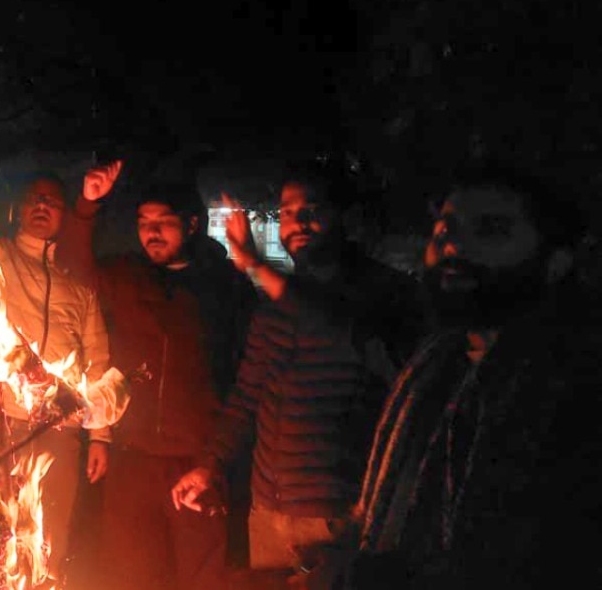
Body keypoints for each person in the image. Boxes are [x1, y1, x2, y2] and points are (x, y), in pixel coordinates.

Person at [331, 166, 600, 588]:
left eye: (491, 232)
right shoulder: (437, 361)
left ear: (555, 263)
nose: (454, 245)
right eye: (444, 231)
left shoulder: (573, 386)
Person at [170, 162, 425, 585]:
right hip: (269, 513)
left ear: (345, 217)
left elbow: (353, 340)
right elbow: (248, 396)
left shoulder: (385, 294)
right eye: (287, 212)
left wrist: (255, 266)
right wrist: (209, 465)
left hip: (339, 517)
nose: (297, 222)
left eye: (312, 209)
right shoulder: (274, 305)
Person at [0, 73, 113, 580]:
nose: (43, 206)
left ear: (62, 218)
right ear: (19, 209)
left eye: (53, 202)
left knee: (44, 542)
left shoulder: (78, 291)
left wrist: (100, 436)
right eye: (35, 199)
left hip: (52, 430)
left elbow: (97, 363)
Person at [57, 161, 255, 589]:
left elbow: (246, 376)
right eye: (144, 222)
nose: (152, 232)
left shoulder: (223, 287)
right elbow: (72, 268)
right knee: (132, 575)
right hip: (132, 459)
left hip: (197, 462)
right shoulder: (128, 276)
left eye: (164, 222)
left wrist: (215, 460)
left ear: (192, 224)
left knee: (202, 577)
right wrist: (87, 205)